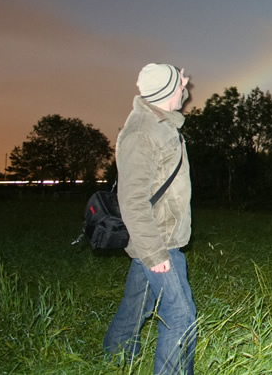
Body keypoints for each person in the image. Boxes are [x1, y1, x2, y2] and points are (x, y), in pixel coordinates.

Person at [104, 63, 196, 374]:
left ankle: (114, 355)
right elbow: (131, 201)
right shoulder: (141, 133)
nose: (185, 89)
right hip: (159, 240)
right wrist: (155, 253)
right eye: (179, 86)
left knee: (136, 306)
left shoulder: (158, 120)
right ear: (167, 92)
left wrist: (174, 84)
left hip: (157, 236)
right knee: (181, 316)